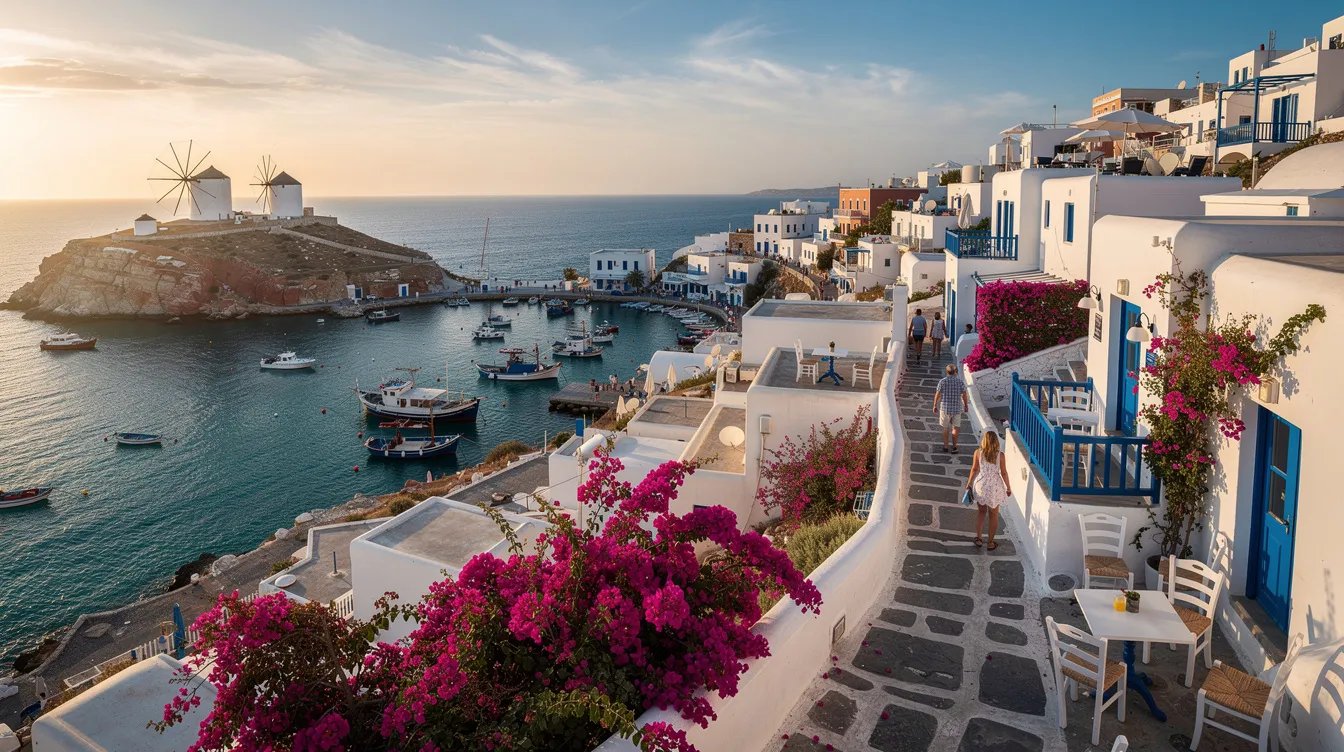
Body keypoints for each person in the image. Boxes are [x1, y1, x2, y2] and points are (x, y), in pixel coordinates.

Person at [966, 431, 1012, 550]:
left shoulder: (978, 453)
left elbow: (974, 469)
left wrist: (969, 483)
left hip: (981, 484)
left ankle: (979, 538)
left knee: (981, 512)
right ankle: (990, 542)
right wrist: (1008, 487)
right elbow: (1004, 473)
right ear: (996, 442)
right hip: (994, 486)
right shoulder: (1000, 456)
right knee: (994, 515)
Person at [932, 363, 968, 453]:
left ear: (947, 372)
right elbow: (964, 395)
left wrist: (935, 405)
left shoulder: (942, 381)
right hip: (957, 408)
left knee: (945, 427)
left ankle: (945, 446)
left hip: (945, 408)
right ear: (955, 372)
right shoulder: (960, 382)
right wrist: (966, 405)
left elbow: (938, 394)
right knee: (955, 428)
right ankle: (955, 447)